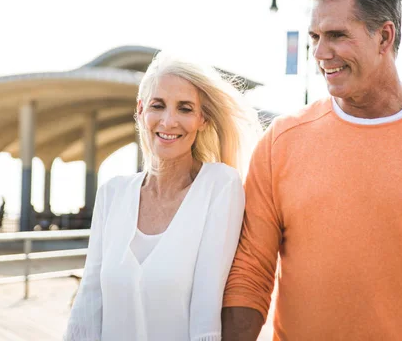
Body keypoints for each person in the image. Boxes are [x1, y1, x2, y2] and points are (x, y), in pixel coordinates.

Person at [222, 0, 402, 341]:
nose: (321, 53)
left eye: (337, 35)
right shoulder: (281, 141)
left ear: (384, 37)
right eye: (315, 36)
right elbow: (250, 275)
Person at [64, 51, 262, 341]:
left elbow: (205, 313)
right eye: (158, 106)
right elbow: (88, 305)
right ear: (141, 110)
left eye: (184, 108)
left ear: (203, 119)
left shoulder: (219, 186)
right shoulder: (112, 194)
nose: (169, 122)